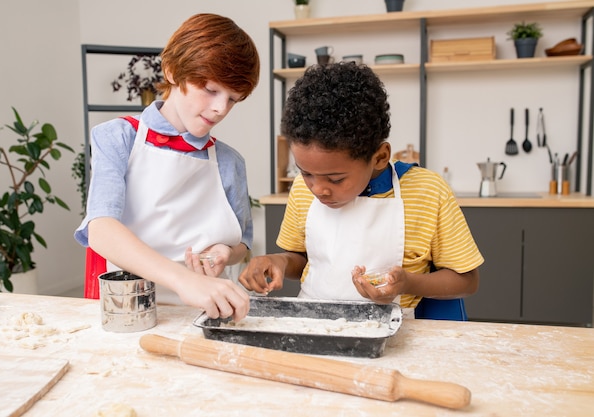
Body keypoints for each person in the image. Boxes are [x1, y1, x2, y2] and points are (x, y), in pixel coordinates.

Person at [239, 62, 483, 316]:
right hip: (314, 323)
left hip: (394, 331)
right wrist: (279, 261)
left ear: (379, 157)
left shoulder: (427, 191)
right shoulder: (303, 189)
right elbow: (302, 261)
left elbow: (467, 280)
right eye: (306, 173)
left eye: (335, 179)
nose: (318, 189)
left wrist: (408, 283)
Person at [74, 13, 260, 321]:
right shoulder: (119, 138)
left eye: (232, 99)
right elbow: (101, 229)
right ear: (173, 71)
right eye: (211, 90)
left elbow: (243, 242)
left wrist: (225, 253)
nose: (220, 109)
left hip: (210, 313)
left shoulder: (229, 162)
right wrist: (185, 279)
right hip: (132, 313)